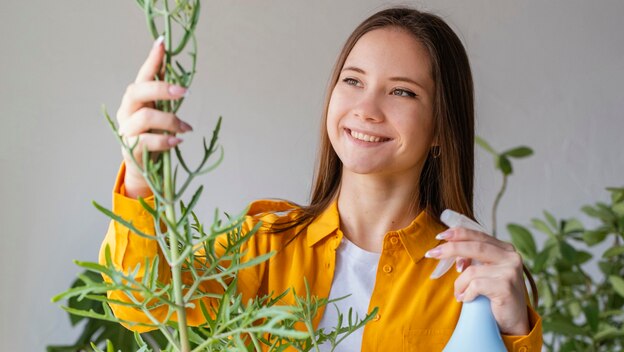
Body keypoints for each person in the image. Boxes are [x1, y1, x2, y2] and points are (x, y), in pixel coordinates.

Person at [101, 6, 542, 351]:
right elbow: (142, 303)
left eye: (402, 91)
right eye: (353, 81)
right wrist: (140, 173)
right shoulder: (263, 247)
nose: (366, 108)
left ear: (442, 129)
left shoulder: (470, 278)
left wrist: (512, 328)